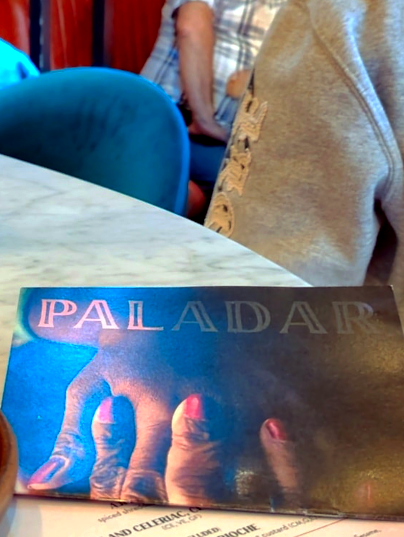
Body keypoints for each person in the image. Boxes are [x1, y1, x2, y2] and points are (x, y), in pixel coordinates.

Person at [204, 0, 404, 315]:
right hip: (201, 125)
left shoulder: (343, 19)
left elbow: (258, 309)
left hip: (343, 348)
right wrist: (206, 122)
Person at [140, 0, 286, 216]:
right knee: (262, 190)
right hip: (172, 121)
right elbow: (191, 26)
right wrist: (205, 121)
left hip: (234, 138)